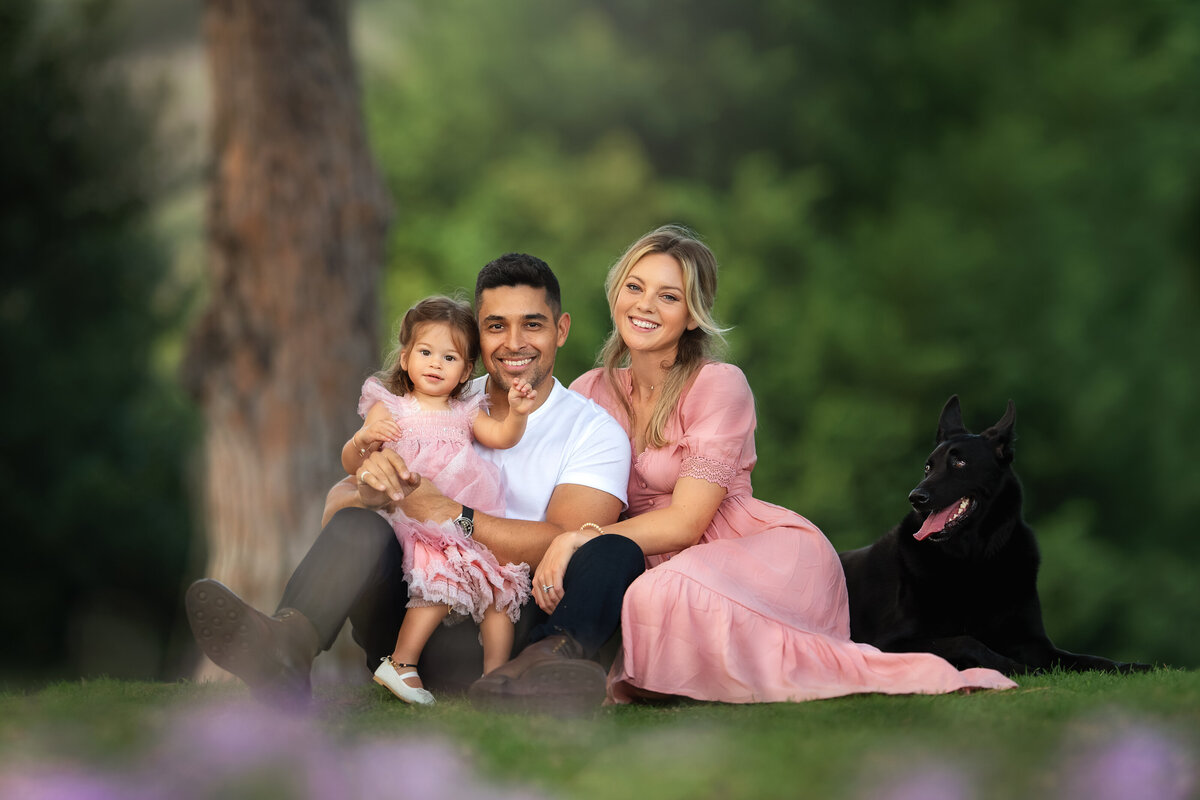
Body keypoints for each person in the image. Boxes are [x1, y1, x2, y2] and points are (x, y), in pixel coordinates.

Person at [556, 224, 1018, 703]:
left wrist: (581, 538)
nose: (645, 305)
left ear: (693, 316)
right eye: (635, 287)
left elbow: (688, 522)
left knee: (656, 596)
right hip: (646, 552)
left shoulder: (719, 384)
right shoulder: (590, 391)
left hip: (750, 551)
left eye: (669, 296)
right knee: (641, 593)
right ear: (615, 294)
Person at [186, 254, 643, 710]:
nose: (514, 342)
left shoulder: (592, 430)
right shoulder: (438, 395)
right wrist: (368, 488)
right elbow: (338, 510)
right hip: (413, 621)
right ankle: (285, 645)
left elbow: (569, 542)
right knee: (358, 526)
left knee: (614, 551)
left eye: (533, 325)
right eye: (496, 326)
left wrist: (454, 515)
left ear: (560, 330)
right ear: (476, 334)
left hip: (511, 628)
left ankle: (540, 673)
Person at [347, 296, 537, 705]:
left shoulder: (466, 411)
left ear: (467, 371)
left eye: (449, 357)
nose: (435, 363)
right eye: (426, 352)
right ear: (405, 358)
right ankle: (401, 662)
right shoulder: (391, 407)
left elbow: (502, 436)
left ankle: (495, 679)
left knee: (498, 587)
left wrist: (518, 413)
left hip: (465, 518)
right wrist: (363, 439)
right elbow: (354, 463)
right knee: (441, 576)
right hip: (417, 516)